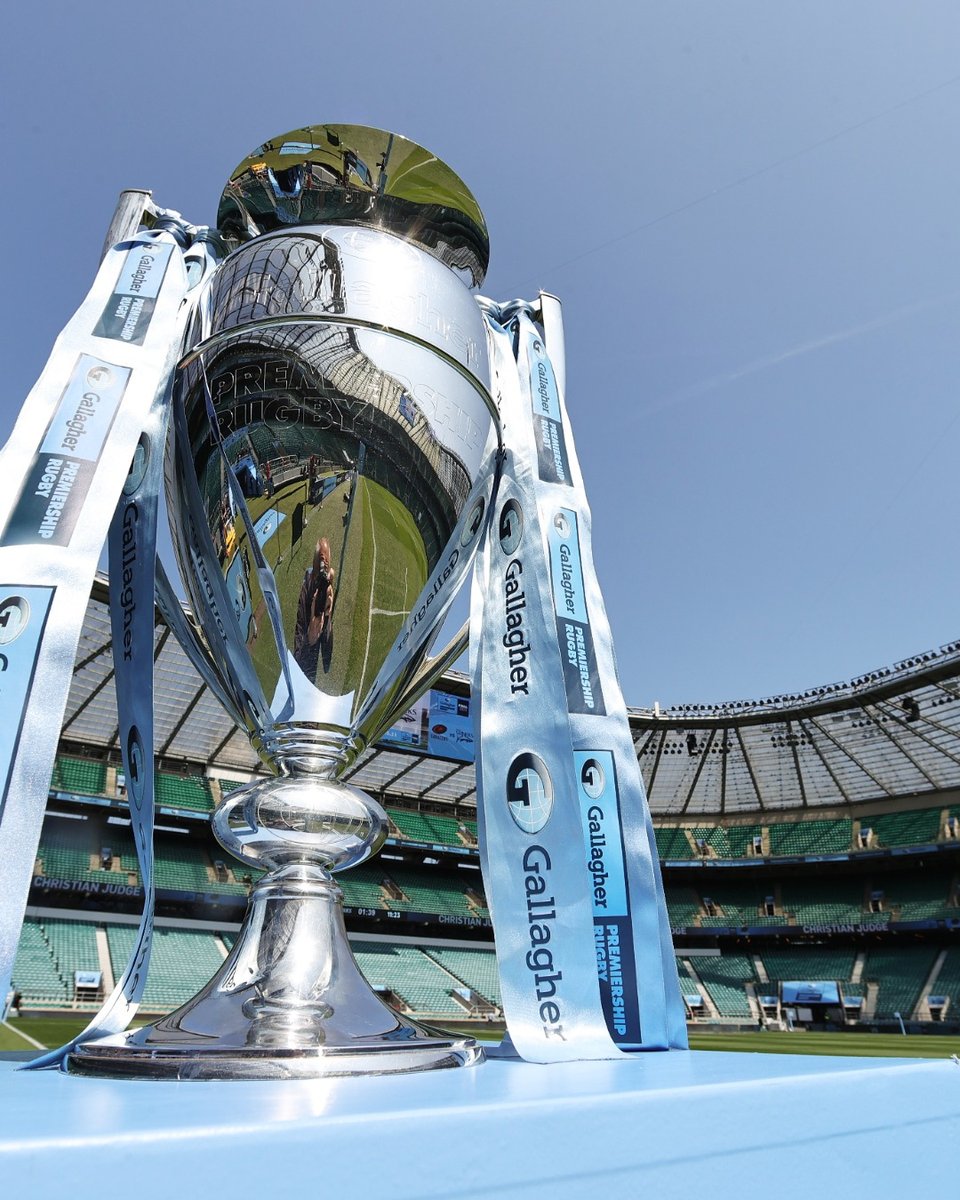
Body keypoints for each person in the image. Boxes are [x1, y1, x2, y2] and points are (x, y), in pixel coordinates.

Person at [294, 538, 336, 678]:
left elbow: (327, 659)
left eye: (326, 566)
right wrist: (309, 640)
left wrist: (328, 616)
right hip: (306, 660)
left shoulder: (327, 587)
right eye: (320, 564)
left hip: (314, 658)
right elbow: (298, 657)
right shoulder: (306, 590)